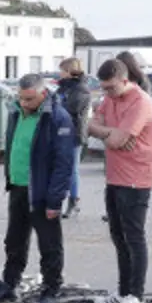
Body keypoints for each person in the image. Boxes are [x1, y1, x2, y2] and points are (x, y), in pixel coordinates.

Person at [0, 75, 75, 303]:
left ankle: (51, 289)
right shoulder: (15, 112)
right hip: (19, 187)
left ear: (43, 94)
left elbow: (64, 164)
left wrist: (55, 199)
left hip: (42, 191)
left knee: (49, 244)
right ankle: (9, 284)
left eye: (29, 99)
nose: (23, 103)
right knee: (14, 241)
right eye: (20, 98)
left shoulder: (57, 118)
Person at [84, 58, 152, 303]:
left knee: (134, 237)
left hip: (135, 179)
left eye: (111, 88)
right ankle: (124, 291)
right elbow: (91, 126)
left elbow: (118, 138)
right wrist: (107, 132)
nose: (106, 94)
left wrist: (105, 132)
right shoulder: (109, 99)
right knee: (118, 237)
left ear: (126, 81)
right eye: (103, 89)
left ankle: (137, 296)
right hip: (113, 177)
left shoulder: (141, 102)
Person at [55, 57, 92, 219]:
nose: (60, 73)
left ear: (70, 71)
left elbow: (71, 109)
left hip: (73, 134)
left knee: (71, 169)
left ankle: (73, 200)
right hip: (60, 133)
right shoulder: (63, 88)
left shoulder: (80, 89)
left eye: (62, 70)